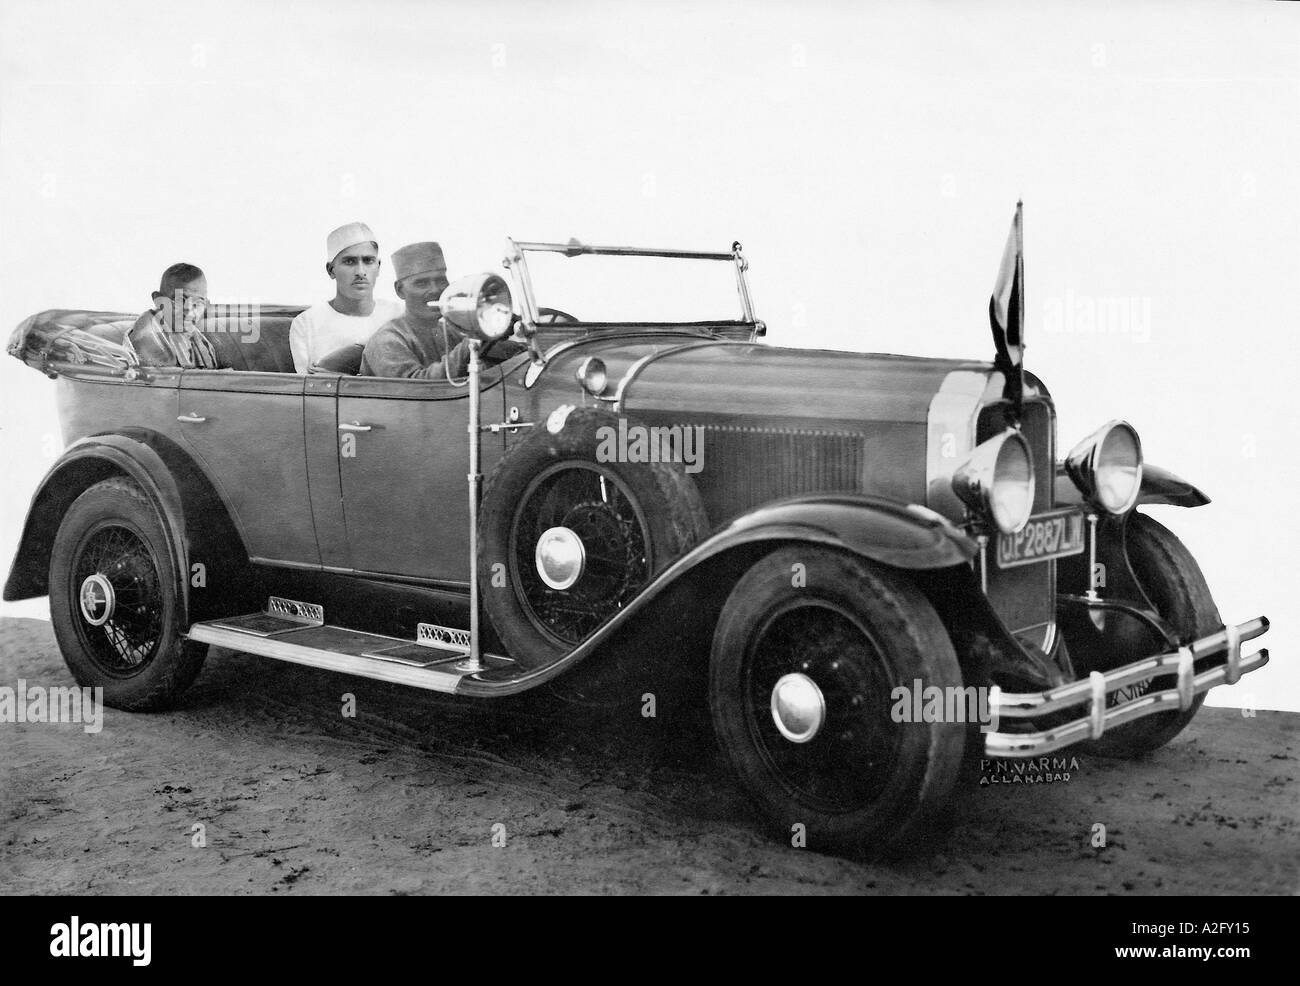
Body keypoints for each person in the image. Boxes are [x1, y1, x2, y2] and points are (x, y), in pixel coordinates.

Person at [360, 241, 524, 379]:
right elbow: (420, 386)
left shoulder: (450, 328)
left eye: (440, 280)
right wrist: (476, 339)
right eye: (422, 283)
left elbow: (503, 353)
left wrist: (502, 326)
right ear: (400, 290)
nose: (435, 290)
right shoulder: (387, 341)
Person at [290, 222, 403, 373]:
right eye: (350, 262)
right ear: (331, 270)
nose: (361, 271)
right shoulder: (306, 324)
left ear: (378, 267)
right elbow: (310, 387)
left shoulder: (398, 315)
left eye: (368, 261)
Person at [124, 263, 219, 368]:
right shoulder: (147, 332)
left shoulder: (199, 340)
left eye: (197, 303)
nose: (189, 310)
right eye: (179, 300)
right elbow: (165, 380)